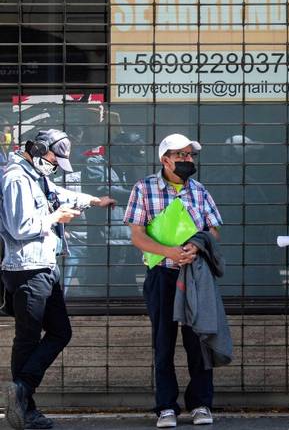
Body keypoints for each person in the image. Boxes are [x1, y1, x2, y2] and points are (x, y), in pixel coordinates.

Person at [1, 129, 115, 430]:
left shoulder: (34, 175)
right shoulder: (16, 178)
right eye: (54, 158)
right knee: (29, 338)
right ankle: (23, 399)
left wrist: (93, 200)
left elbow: (58, 194)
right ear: (37, 149)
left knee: (57, 332)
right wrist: (56, 218)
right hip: (27, 268)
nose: (55, 165)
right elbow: (19, 227)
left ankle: (22, 396)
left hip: (42, 266)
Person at [124, 134, 222, 428]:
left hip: (194, 275)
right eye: (181, 155)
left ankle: (201, 403)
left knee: (198, 340)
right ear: (165, 159)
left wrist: (196, 246)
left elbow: (213, 230)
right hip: (162, 274)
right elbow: (137, 235)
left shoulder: (200, 191)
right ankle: (166, 406)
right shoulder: (144, 188)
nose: (188, 160)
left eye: (191, 155)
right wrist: (167, 251)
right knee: (163, 341)